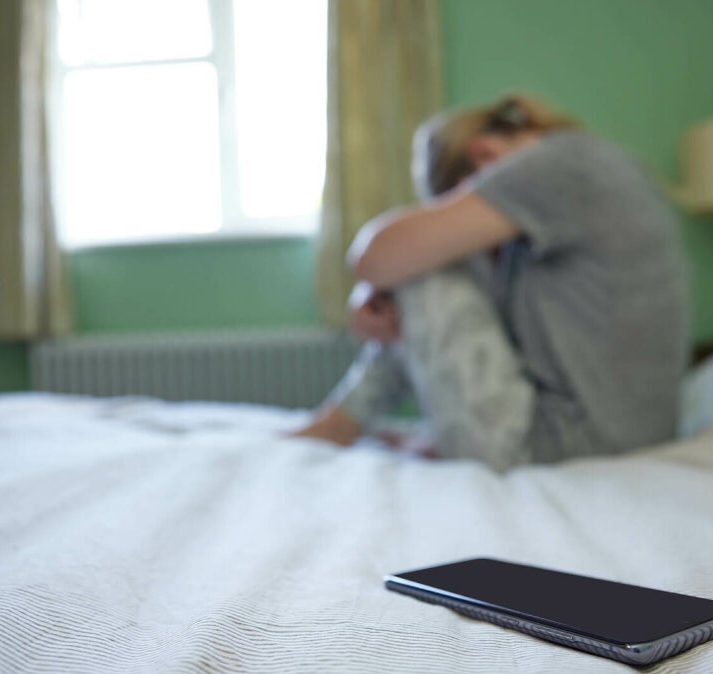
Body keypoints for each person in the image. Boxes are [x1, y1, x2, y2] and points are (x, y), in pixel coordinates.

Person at [294, 94, 689, 472]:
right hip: (617, 439)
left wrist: (374, 285)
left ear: (484, 158)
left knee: (420, 263)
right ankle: (346, 422)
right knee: (417, 262)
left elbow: (372, 257)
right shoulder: (587, 177)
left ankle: (339, 423)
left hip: (567, 446)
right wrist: (374, 291)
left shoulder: (560, 162)